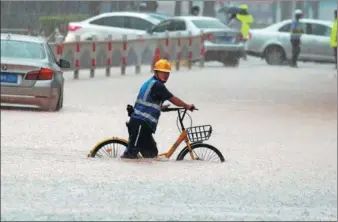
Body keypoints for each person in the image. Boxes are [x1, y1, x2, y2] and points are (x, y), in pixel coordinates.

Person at [121, 59, 196, 159]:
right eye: (163, 72)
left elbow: (148, 102)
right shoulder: (158, 86)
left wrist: (160, 108)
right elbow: (173, 99)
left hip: (143, 125)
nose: (166, 75)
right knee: (130, 156)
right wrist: (186, 105)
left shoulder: (151, 83)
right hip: (140, 124)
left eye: (167, 73)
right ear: (156, 72)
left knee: (152, 154)